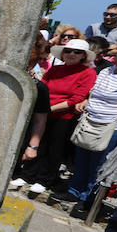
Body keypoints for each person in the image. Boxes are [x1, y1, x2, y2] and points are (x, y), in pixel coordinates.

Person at [50, 36, 117, 206]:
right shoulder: (106, 71)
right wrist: (85, 102)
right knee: (82, 160)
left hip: (111, 126)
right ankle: (74, 192)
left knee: (98, 164)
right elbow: (94, 94)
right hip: (90, 121)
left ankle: (88, 199)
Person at [14, 39, 96, 195]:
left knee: (54, 149)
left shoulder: (88, 73)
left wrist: (46, 109)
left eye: (77, 52)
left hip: (64, 116)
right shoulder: (56, 69)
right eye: (68, 51)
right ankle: (28, 175)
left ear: (83, 56)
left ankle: (44, 180)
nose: (71, 54)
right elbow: (43, 86)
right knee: (37, 143)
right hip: (44, 112)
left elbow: (76, 99)